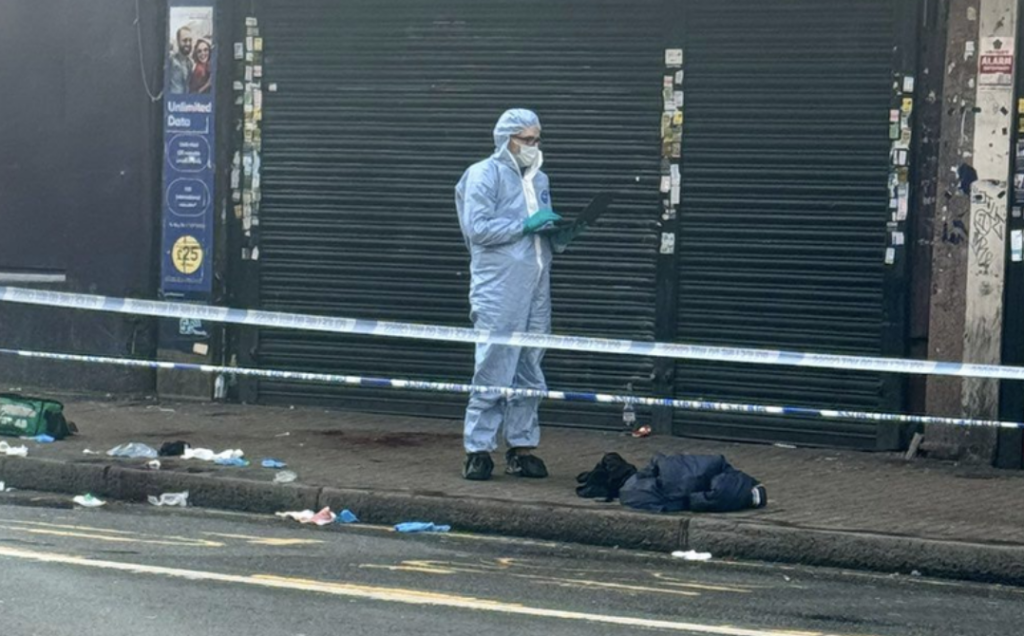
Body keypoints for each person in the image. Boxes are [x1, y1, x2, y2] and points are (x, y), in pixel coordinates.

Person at [455, 109, 589, 481]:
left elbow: (538, 228)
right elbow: (477, 228)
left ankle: (522, 446)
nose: (534, 146)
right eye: (527, 140)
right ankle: (478, 449)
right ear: (506, 139)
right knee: (495, 363)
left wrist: (560, 234)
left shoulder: (539, 178)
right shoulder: (483, 175)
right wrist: (524, 225)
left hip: (536, 282)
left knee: (530, 364)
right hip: (498, 285)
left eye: (537, 139)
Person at [168, 26, 194, 94]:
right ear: (178, 41)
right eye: (184, 40)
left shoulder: (190, 63)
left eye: (190, 40)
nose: (188, 43)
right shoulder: (170, 61)